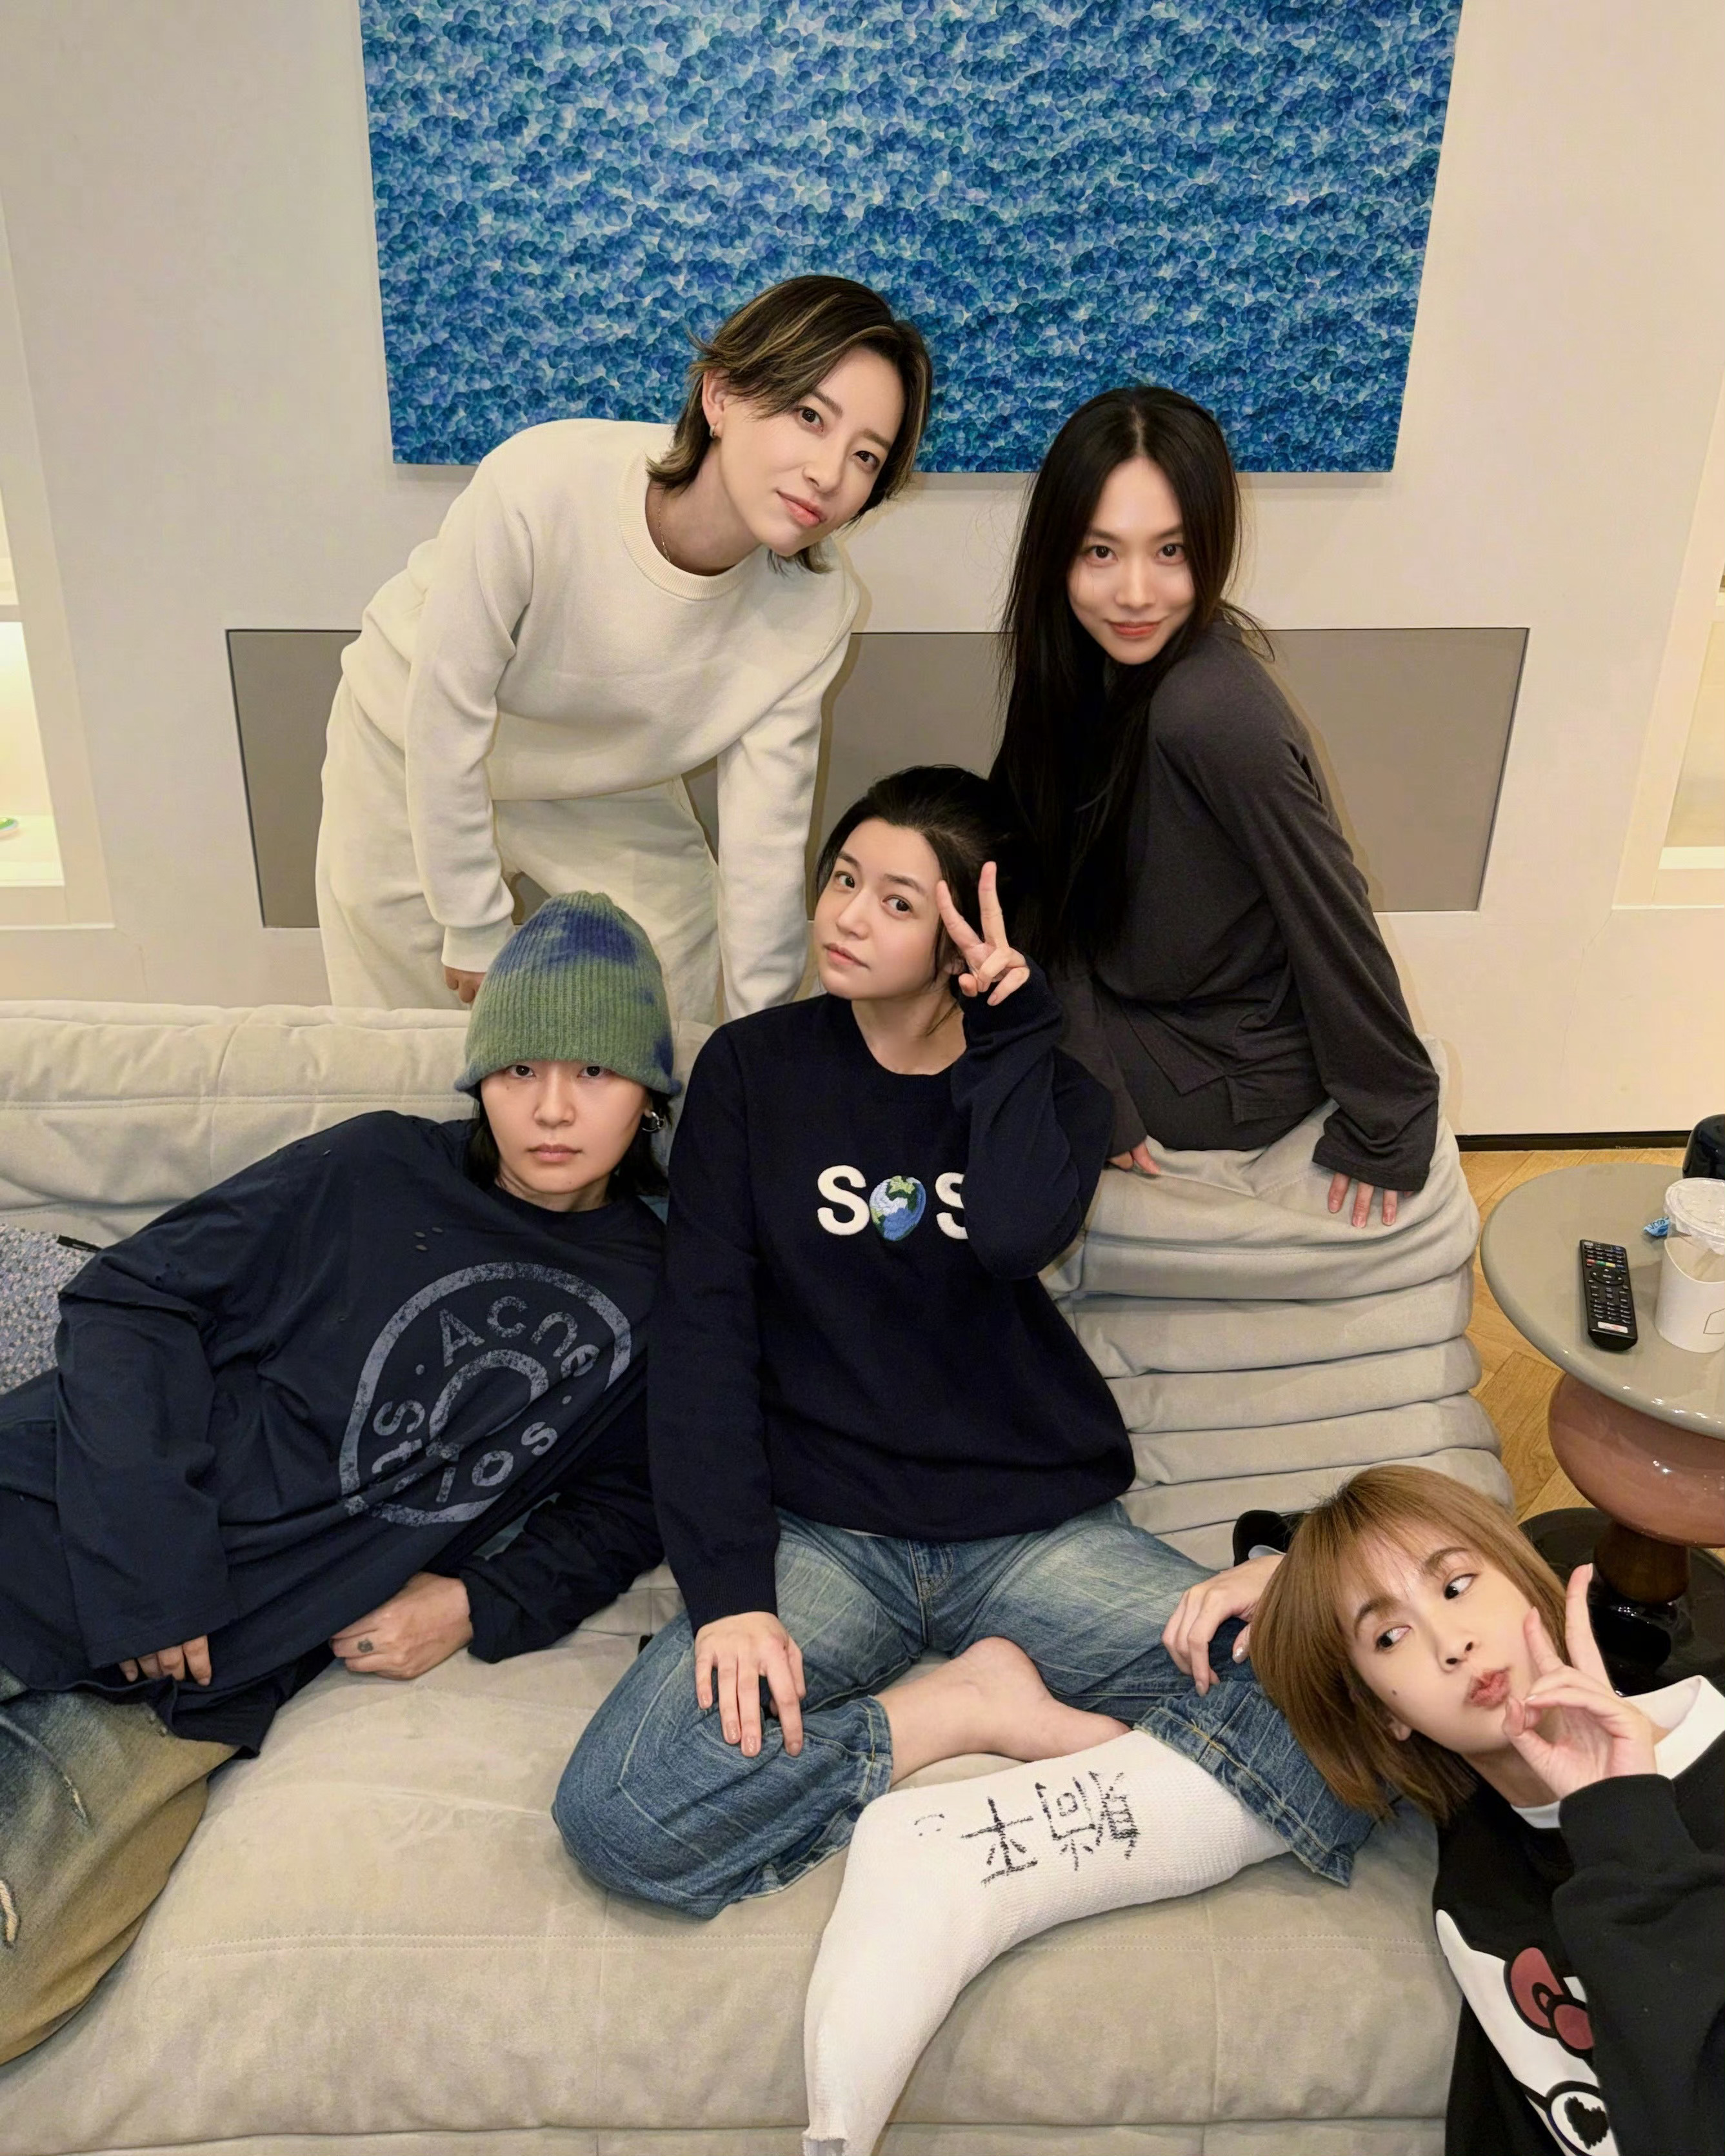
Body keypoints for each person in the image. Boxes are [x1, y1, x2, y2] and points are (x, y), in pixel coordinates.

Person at [552, 766, 1373, 2150]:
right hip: (823, 1540)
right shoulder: (751, 1072)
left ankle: (1006, 1786)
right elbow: (701, 1342)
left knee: (1337, 1704)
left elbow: (1003, 1235)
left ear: (966, 935)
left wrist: (1011, 1038)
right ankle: (955, 1718)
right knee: (622, 1810)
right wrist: (732, 1591)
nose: (844, 917)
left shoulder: (1049, 1087)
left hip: (1027, 1532)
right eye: (842, 879)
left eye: (896, 901)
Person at [0, 892, 675, 2064]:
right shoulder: (372, 1167)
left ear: (650, 1092)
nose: (553, 1108)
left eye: (595, 1072)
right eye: (519, 1068)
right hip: (57, 1526)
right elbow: (127, 1298)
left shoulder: (657, 1292)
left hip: (206, 1677)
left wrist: (478, 1602)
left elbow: (633, 1504)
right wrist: (155, 1567)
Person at [316, 274, 932, 1024]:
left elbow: (764, 848)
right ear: (719, 397)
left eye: (865, 457)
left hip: (607, 778)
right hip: (407, 748)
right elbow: (446, 709)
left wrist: (762, 1039)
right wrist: (472, 923)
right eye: (809, 416)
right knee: (404, 1033)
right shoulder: (539, 485)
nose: (828, 474)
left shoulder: (815, 605)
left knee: (679, 995)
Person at [1162, 1465, 1724, 2156]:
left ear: (1525, 1581)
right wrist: (1285, 1576)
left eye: (1458, 1587)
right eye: (1390, 1638)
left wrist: (1622, 1823)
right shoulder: (1477, 1853)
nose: (1451, 1644)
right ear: (1383, 1712)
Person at [990, 385, 1439, 1228]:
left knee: (952, 1051)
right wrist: (1087, 1066)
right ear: (1056, 553)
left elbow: (1328, 907)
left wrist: (1391, 1118)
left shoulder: (1208, 709)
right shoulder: (1078, 666)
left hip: (1226, 1058)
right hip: (1146, 998)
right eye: (1099, 552)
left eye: (1170, 551)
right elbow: (1038, 873)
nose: (1134, 593)